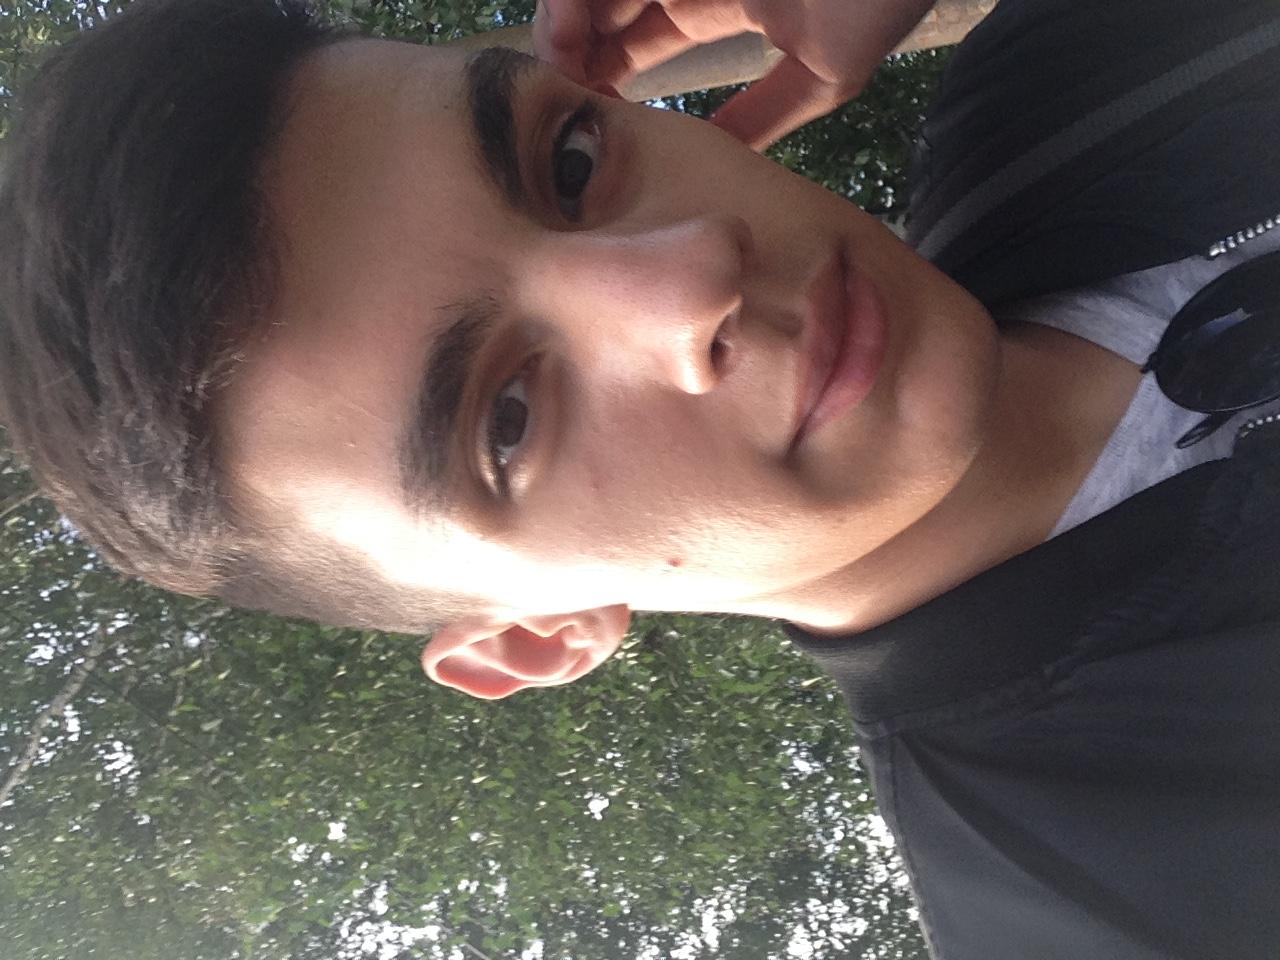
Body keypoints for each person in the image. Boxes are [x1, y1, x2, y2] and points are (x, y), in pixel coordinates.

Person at [1, 0, 1277, 956]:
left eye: (567, 161)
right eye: (506, 419)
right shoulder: (1125, 902)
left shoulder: (1068, 69)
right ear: (534, 633)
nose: (686, 274)